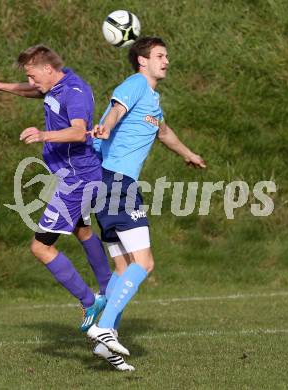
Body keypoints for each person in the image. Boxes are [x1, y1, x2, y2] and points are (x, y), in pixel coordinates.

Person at [87, 37, 206, 370]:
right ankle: (104, 327)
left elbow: (163, 132)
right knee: (146, 263)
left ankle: (105, 345)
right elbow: (115, 111)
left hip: (105, 184)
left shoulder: (152, 101)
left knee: (124, 269)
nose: (166, 61)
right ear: (142, 61)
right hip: (118, 183)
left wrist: (190, 155)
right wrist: (106, 128)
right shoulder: (137, 84)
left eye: (167, 55)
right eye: (159, 56)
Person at [0, 45, 112, 332]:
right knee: (82, 230)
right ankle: (109, 290)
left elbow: (78, 130)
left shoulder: (74, 93)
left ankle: (90, 301)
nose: (31, 81)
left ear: (47, 69)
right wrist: (0, 86)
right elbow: (35, 91)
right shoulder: (55, 86)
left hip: (76, 180)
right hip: (75, 176)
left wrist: (42, 135)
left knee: (40, 247)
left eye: (32, 75)